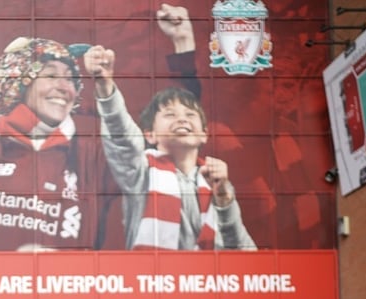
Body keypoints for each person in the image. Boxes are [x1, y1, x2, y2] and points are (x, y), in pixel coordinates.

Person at [88, 41, 256, 250]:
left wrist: (224, 199)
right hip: (153, 280)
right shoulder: (141, 172)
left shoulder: (216, 181)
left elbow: (244, 253)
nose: (182, 119)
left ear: (204, 135)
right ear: (150, 134)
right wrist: (105, 87)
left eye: (190, 114)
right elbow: (121, 138)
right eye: (170, 114)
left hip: (205, 281)